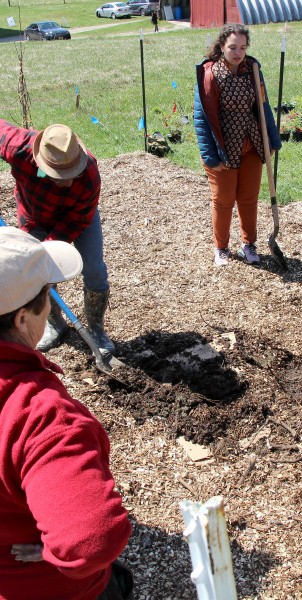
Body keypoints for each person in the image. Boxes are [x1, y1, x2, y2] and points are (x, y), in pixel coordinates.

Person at [0, 226, 132, 600]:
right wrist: (52, 552)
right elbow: (91, 542)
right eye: (47, 299)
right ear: (23, 319)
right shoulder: (37, 415)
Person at [0, 120, 115, 354]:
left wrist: (48, 250)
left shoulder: (90, 173)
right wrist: (41, 260)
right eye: (61, 175)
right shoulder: (18, 149)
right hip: (34, 217)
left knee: (94, 270)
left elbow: (77, 221)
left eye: (73, 172)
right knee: (39, 276)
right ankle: (56, 325)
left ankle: (96, 331)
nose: (70, 180)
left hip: (77, 218)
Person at [193, 23, 281, 267]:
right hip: (223, 148)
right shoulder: (209, 74)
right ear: (222, 46)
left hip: (251, 144)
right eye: (232, 47)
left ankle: (249, 244)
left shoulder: (252, 70)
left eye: (242, 47)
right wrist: (210, 156)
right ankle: (221, 247)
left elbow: (263, 107)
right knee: (223, 200)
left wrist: (271, 140)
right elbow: (201, 119)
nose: (237, 52)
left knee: (248, 198)